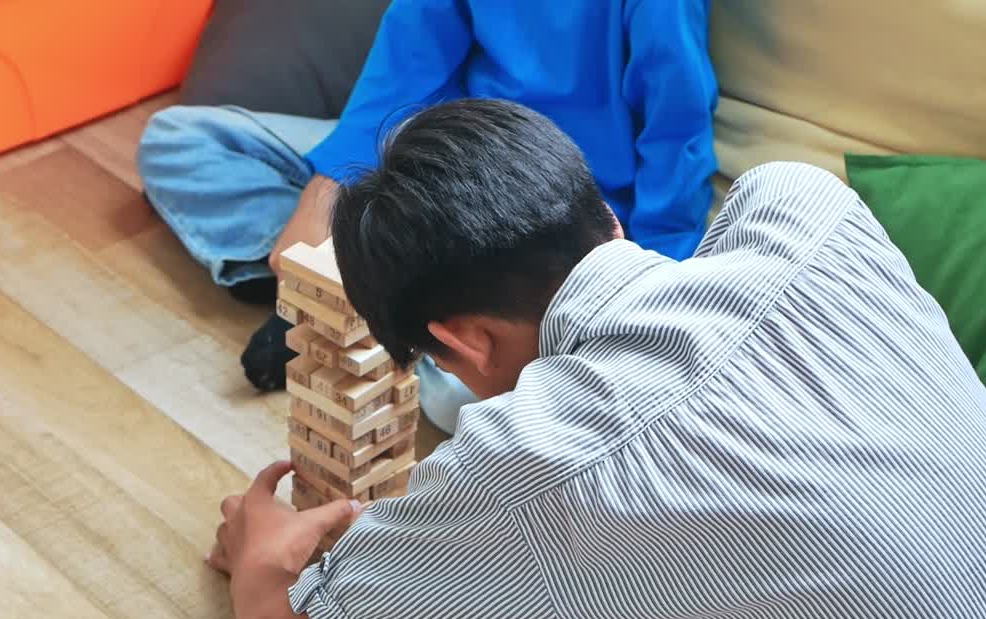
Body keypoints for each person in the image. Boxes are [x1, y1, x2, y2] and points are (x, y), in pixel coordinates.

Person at [206, 99, 986, 619]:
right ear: (604, 215)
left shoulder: (542, 457)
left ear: (464, 343)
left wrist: (259, 556)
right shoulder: (808, 211)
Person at [136, 0, 719, 435]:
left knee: (461, 404)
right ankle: (348, 292)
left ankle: (379, 311)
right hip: (423, 170)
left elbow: (677, 136)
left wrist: (645, 299)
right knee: (179, 140)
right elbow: (399, 75)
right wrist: (320, 208)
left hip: (538, 210)